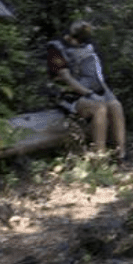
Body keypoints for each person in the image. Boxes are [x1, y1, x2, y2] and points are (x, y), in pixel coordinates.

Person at [47, 21, 126, 161]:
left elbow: (97, 73)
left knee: (116, 106)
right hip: (70, 95)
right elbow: (66, 79)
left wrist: (105, 94)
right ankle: (99, 156)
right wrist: (90, 94)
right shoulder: (56, 48)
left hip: (95, 89)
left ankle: (120, 153)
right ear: (70, 37)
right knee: (99, 108)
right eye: (77, 42)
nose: (80, 45)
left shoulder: (88, 44)